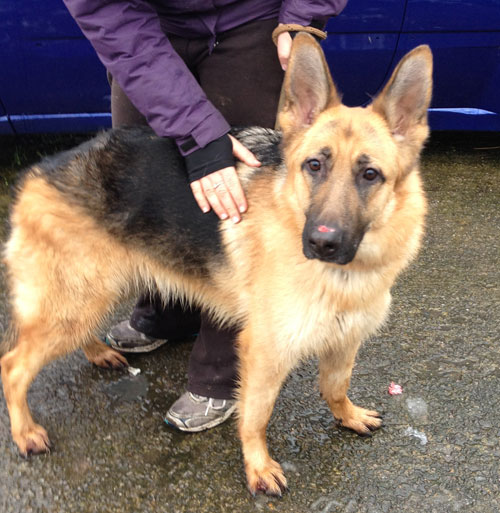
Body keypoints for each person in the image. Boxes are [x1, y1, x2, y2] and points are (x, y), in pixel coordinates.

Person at [62, 0, 348, 432]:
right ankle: (166, 313)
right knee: (142, 184)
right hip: (145, 20)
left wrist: (302, 13)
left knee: (239, 208)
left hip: (256, 16)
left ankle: (218, 371)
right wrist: (199, 136)